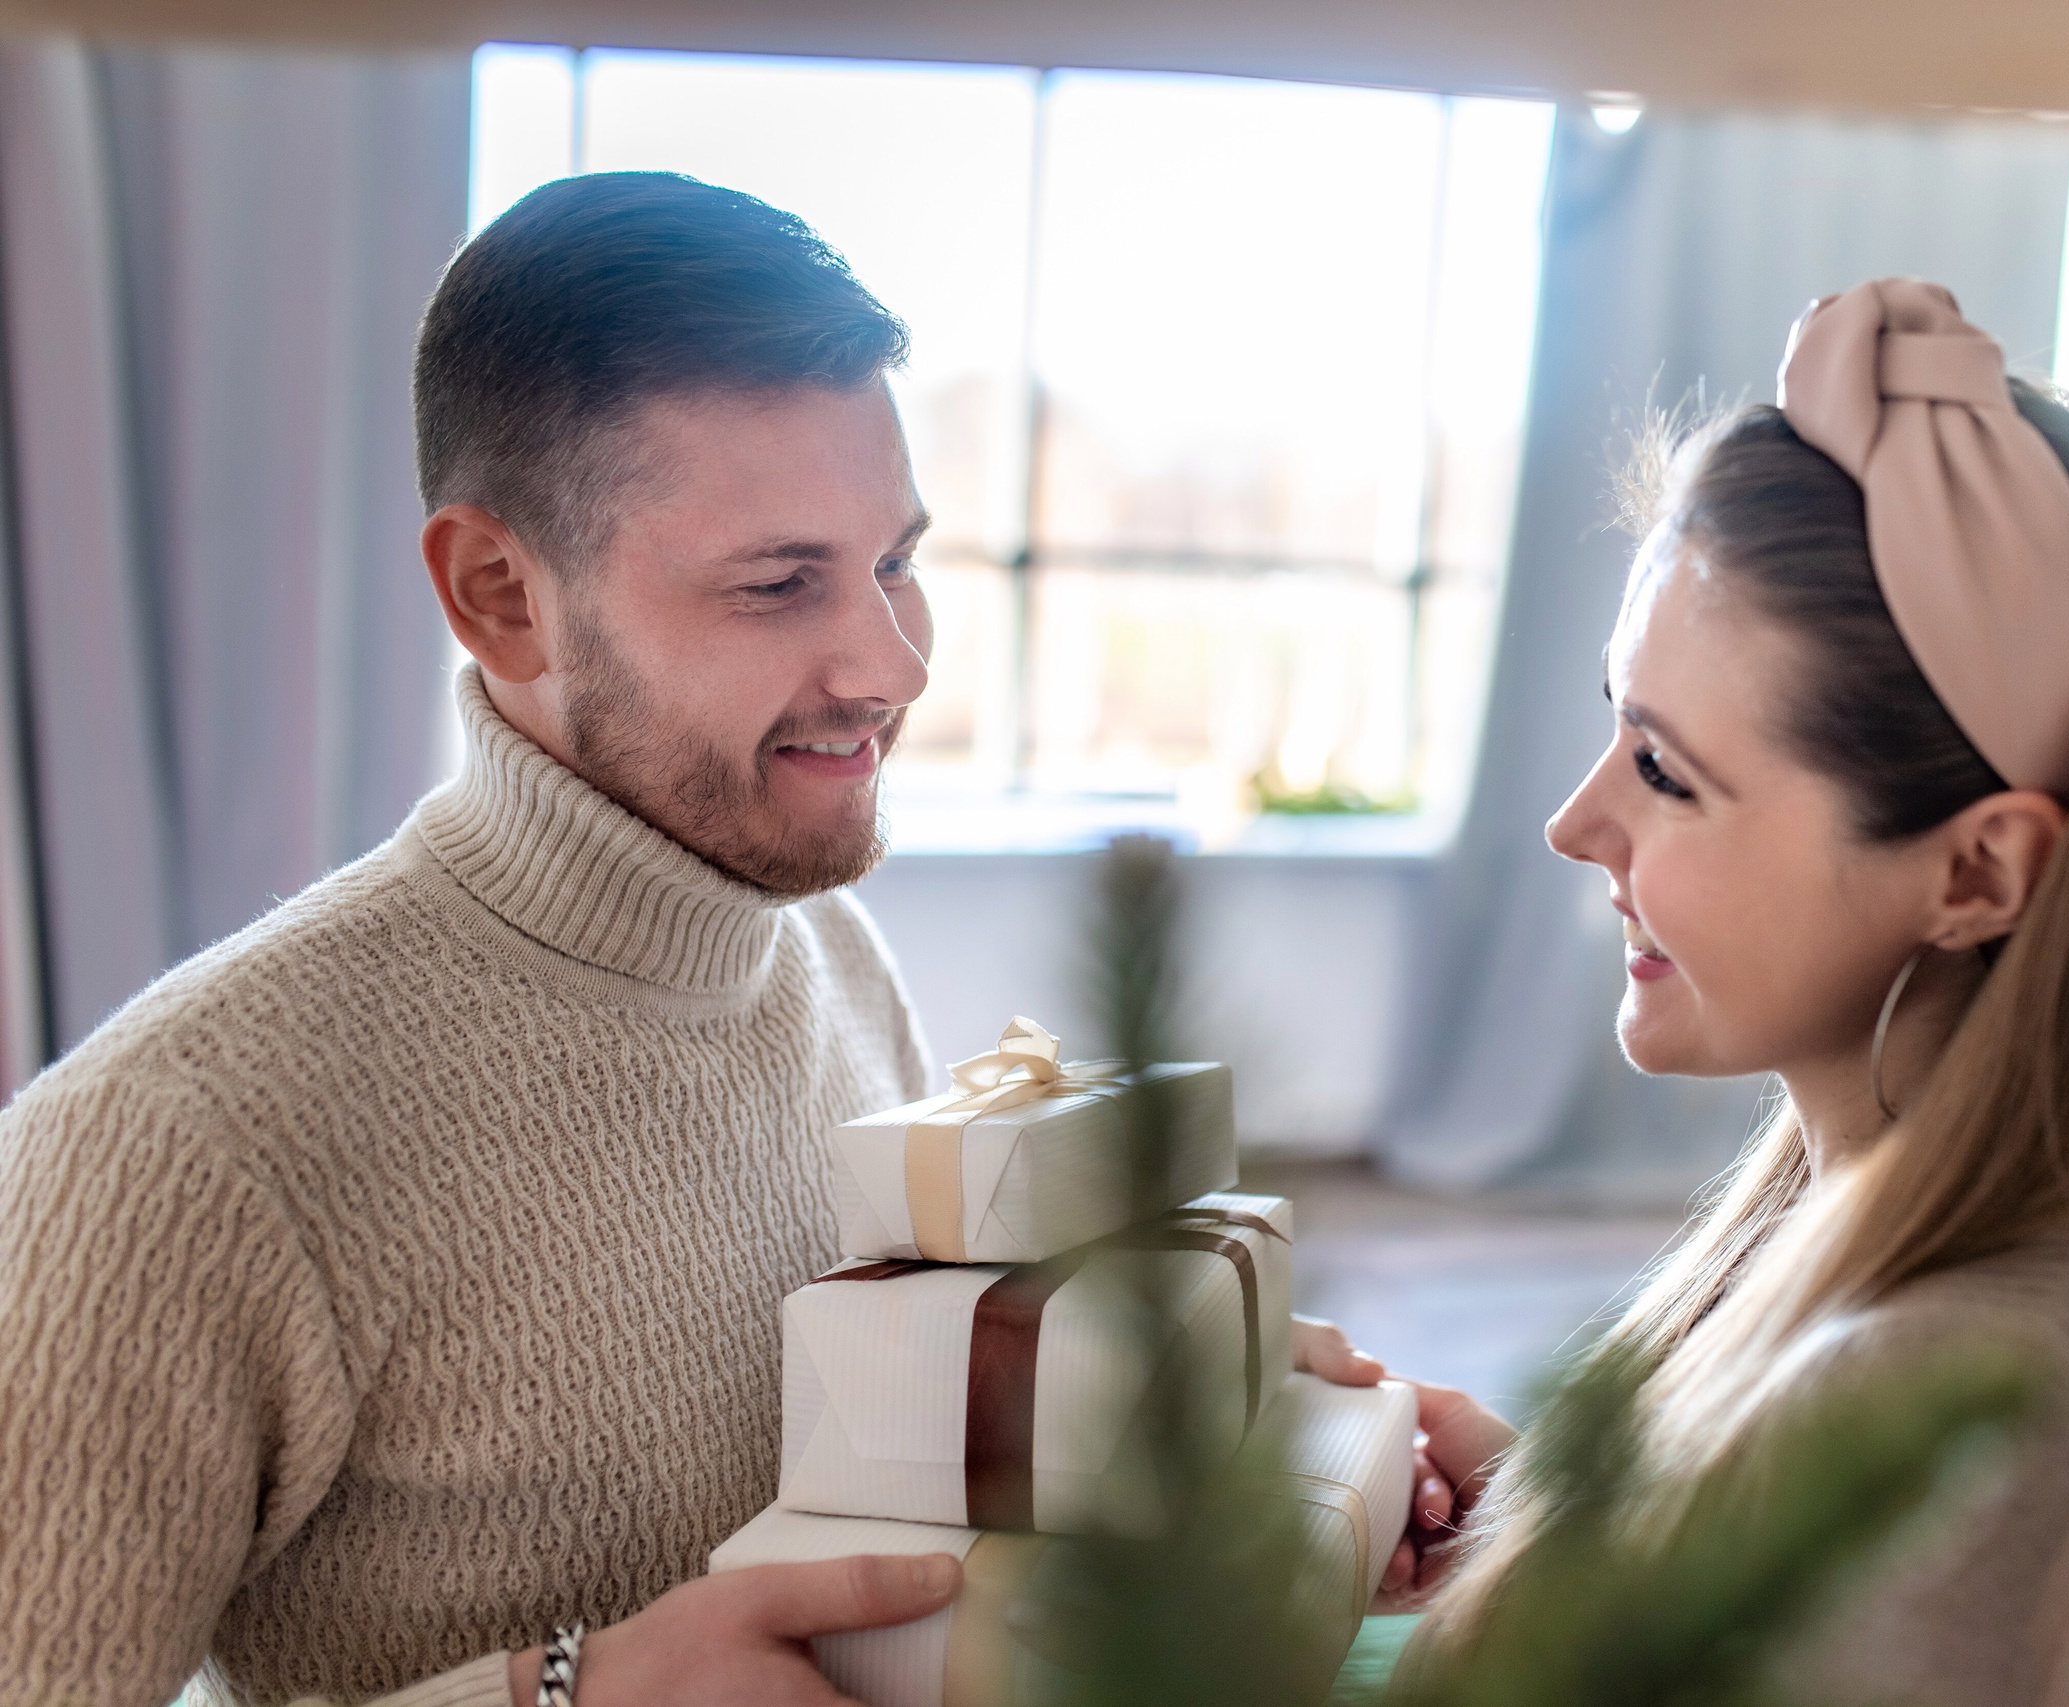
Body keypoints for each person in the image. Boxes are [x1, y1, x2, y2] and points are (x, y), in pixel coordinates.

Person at [0, 169, 1383, 1707]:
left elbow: (879, 1468)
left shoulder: (834, 960)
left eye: (895, 561)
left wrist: (1150, 1398)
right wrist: (563, 1696)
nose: (893, 664)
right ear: (499, 596)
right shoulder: (167, 1151)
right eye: (780, 583)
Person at [1385, 278, 2069, 1705]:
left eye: (1668, 772)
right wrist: (1547, 1554)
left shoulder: (1959, 1461)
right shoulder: (1888, 1224)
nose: (1577, 822)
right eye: (1619, 723)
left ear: (1977, 873)